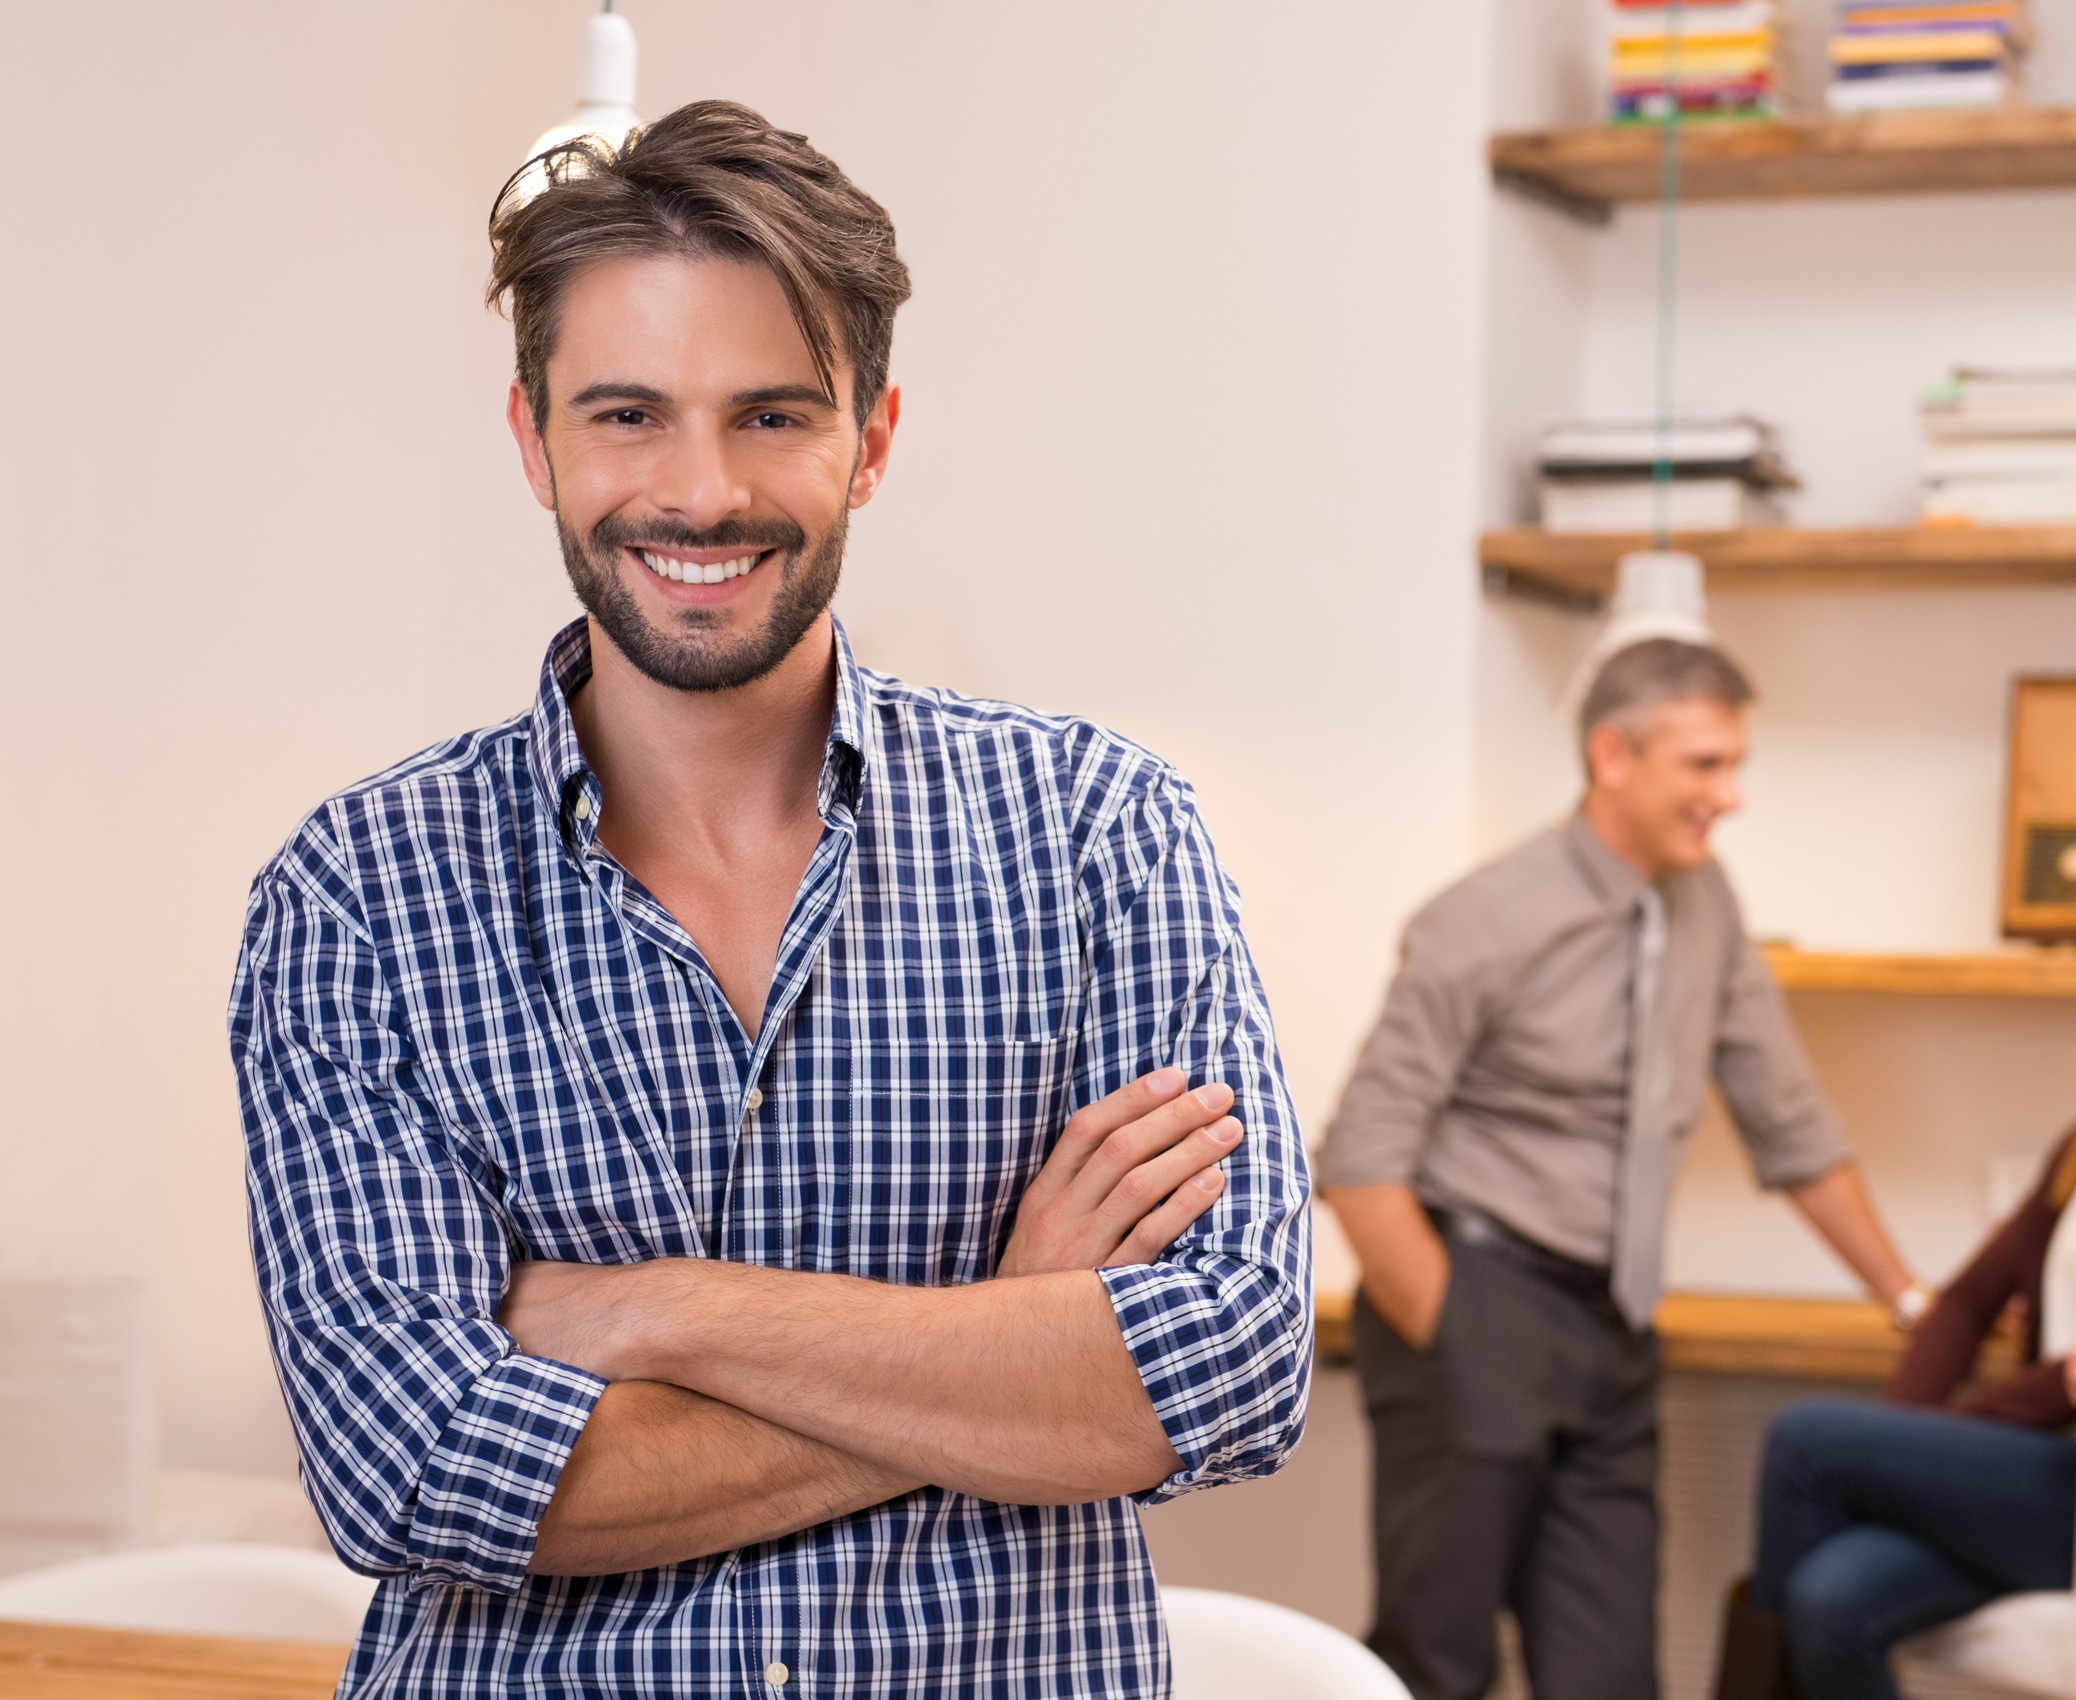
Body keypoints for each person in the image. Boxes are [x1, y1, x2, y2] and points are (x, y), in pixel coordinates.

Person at [229, 102, 1308, 1698]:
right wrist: (1003, 1335)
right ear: (534, 440)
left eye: (772, 417)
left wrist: (662, 1313)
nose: (701, 491)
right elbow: (413, 1471)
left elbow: (1223, 1366)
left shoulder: (1099, 834)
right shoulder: (360, 896)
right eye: (628, 416)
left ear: (870, 440)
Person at [1318, 638, 1925, 1700]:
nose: (1729, 795)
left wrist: (1910, 1297)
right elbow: (1361, 1156)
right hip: (1481, 1300)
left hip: (1613, 1331)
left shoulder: (1705, 907)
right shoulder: (1487, 916)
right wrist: (1449, 1327)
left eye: (1734, 764)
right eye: (1704, 764)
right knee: (1435, 1664)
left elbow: (1790, 1122)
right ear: (1614, 755)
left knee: (1610, 1674)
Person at [1722, 842, 2076, 1700]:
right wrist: (1908, 1452)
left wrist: (1923, 1450)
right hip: (2017, 1480)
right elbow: (1971, 1299)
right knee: (1829, 1597)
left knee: (1807, 1442)